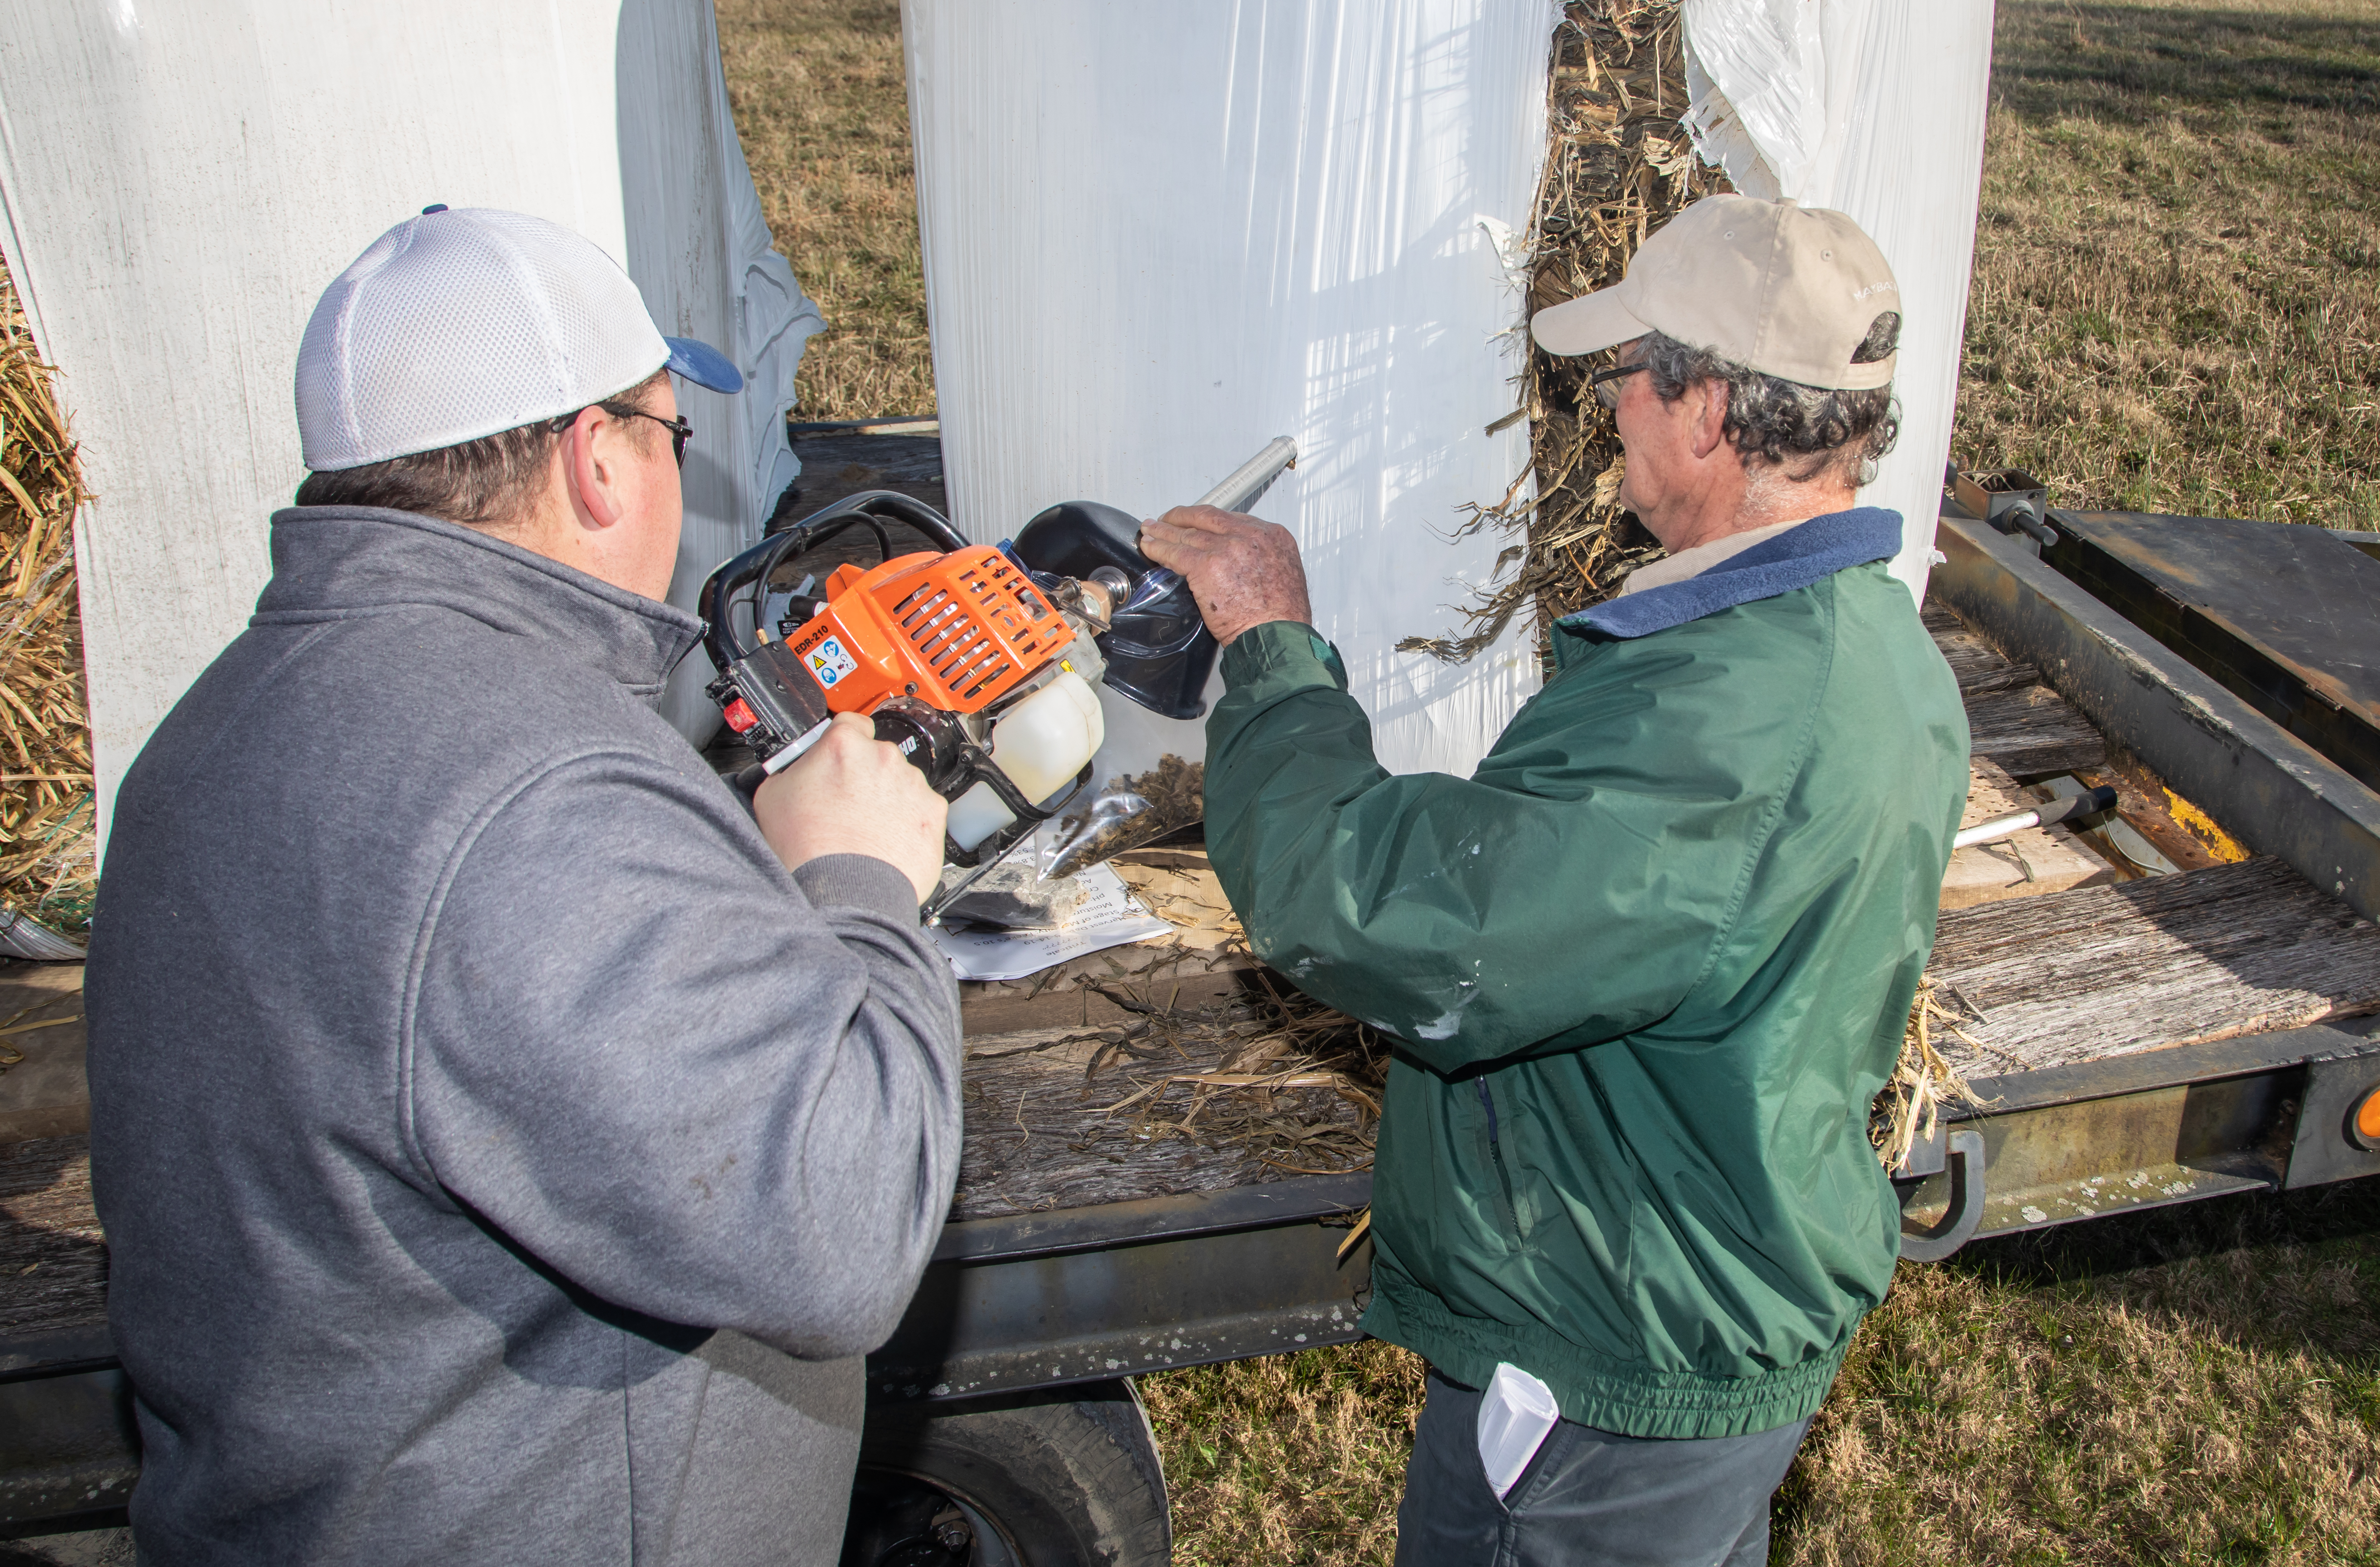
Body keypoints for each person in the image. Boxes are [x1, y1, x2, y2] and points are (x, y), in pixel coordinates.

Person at [86, 207, 957, 1564]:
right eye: (671, 434)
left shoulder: (217, 725)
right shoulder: (540, 786)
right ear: (597, 460)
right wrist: (859, 880)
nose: (675, 472)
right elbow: (840, 1229)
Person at [1139, 196, 1970, 1566]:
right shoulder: (1871, 643)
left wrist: (1276, 650)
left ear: (1706, 411)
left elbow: (1394, 920)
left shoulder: (1720, 719)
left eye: (1630, 378)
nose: (1613, 413)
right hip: (1692, 1284)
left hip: (1609, 1355)